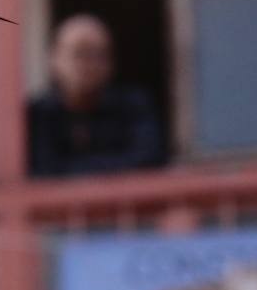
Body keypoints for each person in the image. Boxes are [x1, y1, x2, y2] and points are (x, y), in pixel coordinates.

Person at [28, 14, 165, 177]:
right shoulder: (38, 115)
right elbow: (45, 172)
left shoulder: (133, 106)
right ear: (54, 58)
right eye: (79, 54)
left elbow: (148, 160)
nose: (90, 64)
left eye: (99, 54)